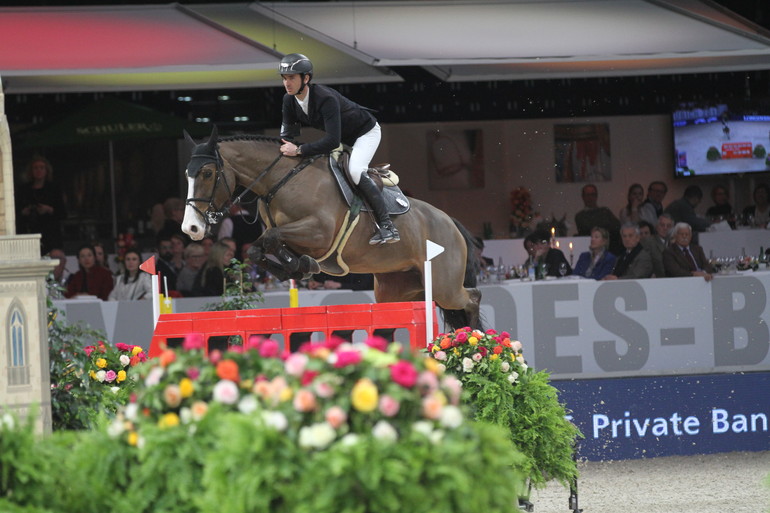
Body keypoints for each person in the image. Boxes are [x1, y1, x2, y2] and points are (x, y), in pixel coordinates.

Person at [277, 53, 399, 245]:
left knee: (356, 171)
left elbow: (332, 141)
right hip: (344, 138)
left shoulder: (325, 99)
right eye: (284, 78)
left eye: (291, 78)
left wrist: (299, 150)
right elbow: (286, 138)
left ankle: (388, 227)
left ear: (306, 78)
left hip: (365, 133)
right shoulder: (288, 100)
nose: (287, 83)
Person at [15, 155, 67, 255]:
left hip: (50, 234)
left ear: (46, 170)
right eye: (35, 168)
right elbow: (15, 211)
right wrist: (24, 212)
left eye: (42, 168)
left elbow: (63, 213)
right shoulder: (23, 190)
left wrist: (48, 209)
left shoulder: (54, 189)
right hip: (29, 232)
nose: (38, 170)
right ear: (31, 171)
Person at [574, 184, 622, 255]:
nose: (590, 198)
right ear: (583, 197)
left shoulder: (605, 211)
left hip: (610, 248)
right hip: (591, 250)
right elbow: (587, 230)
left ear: (596, 196)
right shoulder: (580, 216)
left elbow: (617, 226)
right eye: (588, 195)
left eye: (593, 195)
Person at [642, 213, 674, 278]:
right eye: (662, 225)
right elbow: (645, 262)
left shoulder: (674, 243)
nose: (665, 228)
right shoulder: (648, 241)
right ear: (656, 227)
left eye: (668, 226)